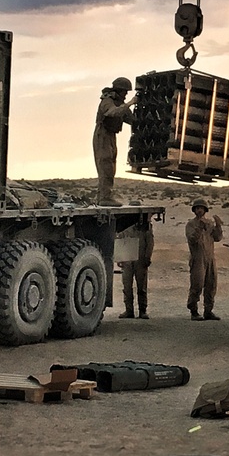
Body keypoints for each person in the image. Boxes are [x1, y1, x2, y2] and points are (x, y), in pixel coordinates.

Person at [93, 77, 138, 206]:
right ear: (119, 90)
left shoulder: (119, 104)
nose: (126, 95)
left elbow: (131, 119)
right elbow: (112, 113)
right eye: (125, 92)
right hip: (103, 135)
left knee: (111, 166)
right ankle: (104, 198)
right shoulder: (107, 101)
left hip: (111, 136)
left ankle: (105, 196)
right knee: (105, 165)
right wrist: (130, 103)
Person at [185, 198, 222, 321]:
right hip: (197, 258)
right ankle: (194, 310)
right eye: (197, 208)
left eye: (202, 208)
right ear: (194, 210)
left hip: (210, 258)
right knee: (197, 284)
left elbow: (217, 238)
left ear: (205, 210)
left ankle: (208, 311)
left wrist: (218, 226)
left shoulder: (209, 223)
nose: (200, 210)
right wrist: (199, 228)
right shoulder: (191, 224)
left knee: (211, 285)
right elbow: (192, 240)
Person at [118, 224, 154, 319]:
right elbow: (120, 239)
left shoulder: (145, 226)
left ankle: (142, 310)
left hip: (140, 259)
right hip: (127, 259)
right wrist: (120, 257)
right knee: (127, 286)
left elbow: (150, 242)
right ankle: (129, 310)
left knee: (141, 286)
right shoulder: (124, 224)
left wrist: (147, 256)